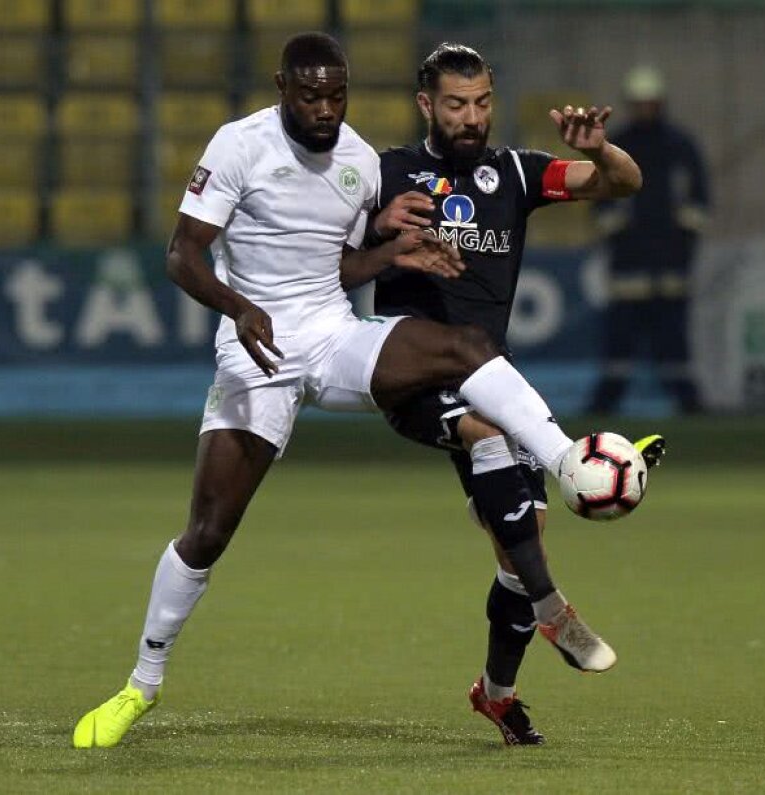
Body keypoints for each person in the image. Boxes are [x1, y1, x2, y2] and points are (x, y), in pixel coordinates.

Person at [72, 33, 623, 749]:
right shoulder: (240, 146)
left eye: (337, 96)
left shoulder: (361, 163)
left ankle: (568, 461)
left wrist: (390, 250)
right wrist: (239, 307)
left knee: (466, 348)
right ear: (282, 88)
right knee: (208, 531)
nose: (326, 110)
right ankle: (140, 686)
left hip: (332, 337)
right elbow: (183, 254)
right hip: (256, 350)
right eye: (311, 96)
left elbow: (340, 265)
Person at [356, 43, 663, 746]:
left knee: (520, 540)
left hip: (489, 377)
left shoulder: (516, 173)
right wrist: (382, 237)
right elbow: (336, 248)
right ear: (426, 105)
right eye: (457, 105)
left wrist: (602, 149)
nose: (472, 118)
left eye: (483, 103)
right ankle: (557, 611)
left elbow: (624, 183)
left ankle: (496, 692)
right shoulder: (388, 173)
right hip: (409, 373)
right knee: (489, 441)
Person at [585, 65, 710, 416]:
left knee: (674, 342)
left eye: (649, 102)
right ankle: (603, 404)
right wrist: (618, 230)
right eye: (639, 103)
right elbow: (599, 197)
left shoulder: (680, 145)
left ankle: (689, 403)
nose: (644, 109)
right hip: (629, 265)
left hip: (671, 265)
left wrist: (683, 237)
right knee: (619, 343)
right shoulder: (617, 146)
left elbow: (700, 198)